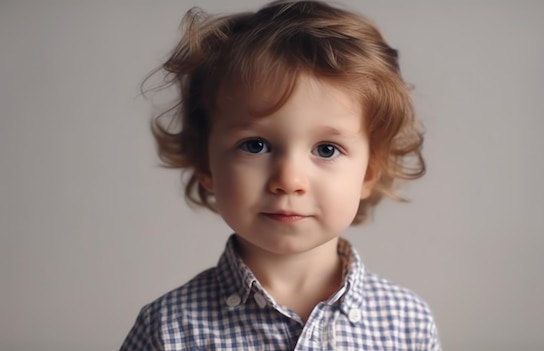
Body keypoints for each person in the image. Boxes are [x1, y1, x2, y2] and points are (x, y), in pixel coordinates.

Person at [121, 0, 441, 349]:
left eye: (326, 149)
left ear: (368, 173)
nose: (289, 180)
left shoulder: (408, 324)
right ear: (205, 164)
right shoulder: (168, 329)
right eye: (255, 145)